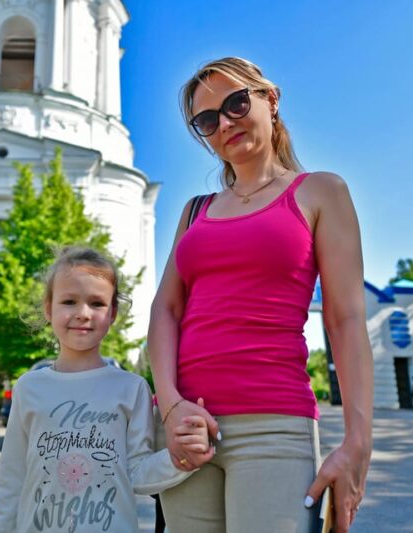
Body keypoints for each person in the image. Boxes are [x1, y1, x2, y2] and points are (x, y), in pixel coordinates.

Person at [148, 57, 374, 533]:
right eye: (208, 120)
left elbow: (346, 319)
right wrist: (170, 406)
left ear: (270, 100)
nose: (225, 123)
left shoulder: (320, 192)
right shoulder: (194, 211)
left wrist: (358, 443)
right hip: (188, 429)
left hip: (275, 426)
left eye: (236, 104)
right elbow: (165, 310)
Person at [0, 247, 215, 533]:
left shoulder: (132, 388)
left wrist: (182, 457)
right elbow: (10, 481)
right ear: (48, 308)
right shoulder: (28, 388)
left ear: (113, 313)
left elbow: (137, 472)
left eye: (97, 303)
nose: (83, 314)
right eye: (69, 301)